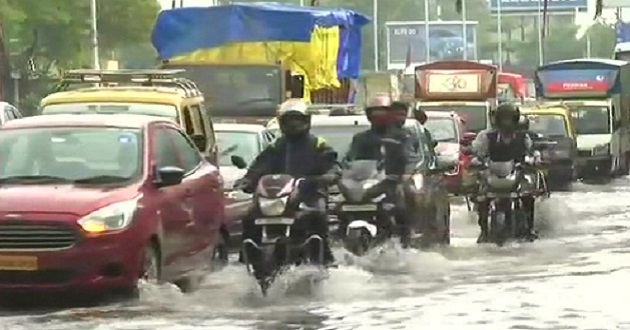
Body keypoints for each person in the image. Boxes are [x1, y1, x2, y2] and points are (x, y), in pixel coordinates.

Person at [233, 99, 340, 266]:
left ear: (307, 120)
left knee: (318, 214)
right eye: (289, 120)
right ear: (282, 122)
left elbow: (332, 165)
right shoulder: (276, 146)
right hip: (276, 195)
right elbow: (260, 166)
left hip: (308, 192)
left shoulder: (318, 144)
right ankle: (247, 256)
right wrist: (247, 180)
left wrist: (327, 176)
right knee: (249, 217)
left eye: (297, 119)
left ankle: (325, 256)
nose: (294, 124)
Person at [345, 95, 421, 247]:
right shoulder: (361, 138)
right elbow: (350, 160)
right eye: (375, 114)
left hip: (393, 180)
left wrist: (406, 174)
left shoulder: (403, 135)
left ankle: (407, 234)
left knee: (406, 197)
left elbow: (411, 158)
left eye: (382, 114)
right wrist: (344, 172)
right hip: (370, 181)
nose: (379, 117)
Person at [471, 103, 537, 243]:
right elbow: (478, 152)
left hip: (516, 174)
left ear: (515, 119)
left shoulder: (523, 137)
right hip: (493, 174)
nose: (506, 122)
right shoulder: (486, 137)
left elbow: (531, 152)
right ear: (497, 120)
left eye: (509, 118)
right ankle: (483, 230)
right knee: (481, 198)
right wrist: (476, 161)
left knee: (528, 196)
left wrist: (532, 160)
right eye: (503, 118)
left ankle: (530, 228)